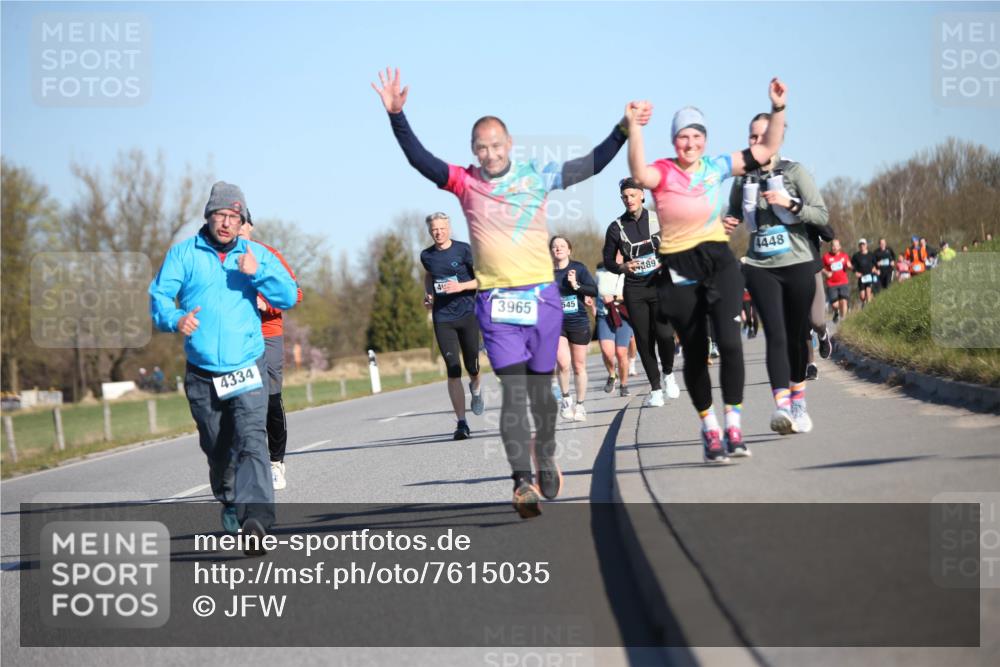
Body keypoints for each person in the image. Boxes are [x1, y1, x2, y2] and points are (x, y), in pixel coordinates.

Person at [373, 68, 640, 516]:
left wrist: (622, 129)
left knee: (540, 398)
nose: (490, 153)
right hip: (496, 306)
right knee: (514, 396)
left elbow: (588, 165)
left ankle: (548, 453)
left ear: (510, 144)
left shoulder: (537, 174)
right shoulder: (464, 181)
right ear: (473, 151)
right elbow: (421, 160)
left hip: (542, 301)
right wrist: (398, 117)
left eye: (497, 145)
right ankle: (521, 481)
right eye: (482, 147)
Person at [627, 77, 788, 463]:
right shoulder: (663, 172)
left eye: (697, 136)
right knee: (696, 353)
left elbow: (765, 150)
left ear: (705, 139)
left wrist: (778, 109)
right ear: (673, 140)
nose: (691, 144)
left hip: (718, 259)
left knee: (730, 343)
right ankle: (709, 428)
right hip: (678, 266)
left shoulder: (716, 165)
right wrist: (634, 127)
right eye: (683, 137)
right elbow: (637, 172)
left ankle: (734, 424)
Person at [149, 181, 298, 555]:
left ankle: (257, 521)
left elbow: (288, 295)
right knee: (217, 446)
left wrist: (258, 274)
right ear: (209, 217)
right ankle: (230, 498)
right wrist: (175, 318)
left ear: (242, 219)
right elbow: (160, 297)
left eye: (234, 216)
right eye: (221, 215)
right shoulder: (184, 254)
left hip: (246, 363)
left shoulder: (254, 254)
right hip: (201, 370)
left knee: (251, 439)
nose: (227, 222)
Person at [724, 111, 830, 435]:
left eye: (761, 137)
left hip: (797, 262)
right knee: (776, 334)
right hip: (760, 266)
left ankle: (798, 402)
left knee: (798, 337)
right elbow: (731, 215)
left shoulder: (794, 172)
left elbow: (821, 215)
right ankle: (781, 407)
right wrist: (726, 225)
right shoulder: (743, 179)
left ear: (777, 138)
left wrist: (791, 203)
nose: (756, 143)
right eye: (751, 138)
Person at [238, 211, 304, 490]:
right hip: (236, 340)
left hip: (268, 335)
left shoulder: (268, 254)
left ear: (250, 226)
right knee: (240, 404)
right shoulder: (216, 260)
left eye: (240, 221)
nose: (235, 226)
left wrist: (268, 305)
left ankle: (276, 463)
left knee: (271, 399)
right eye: (227, 219)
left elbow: (295, 293)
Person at [602, 177, 679, 406]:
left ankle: (667, 373)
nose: (629, 200)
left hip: (660, 284)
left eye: (633, 195)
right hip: (634, 289)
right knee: (644, 340)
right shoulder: (616, 227)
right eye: (625, 197)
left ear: (642, 195)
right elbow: (607, 259)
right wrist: (621, 267)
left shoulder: (658, 218)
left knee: (665, 334)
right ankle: (655, 389)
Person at [420, 212, 484, 440]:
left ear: (449, 228)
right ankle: (461, 423)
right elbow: (429, 276)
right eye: (434, 229)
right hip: (443, 318)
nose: (438, 233)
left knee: (473, 367)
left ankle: (476, 389)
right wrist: (428, 294)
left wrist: (461, 287)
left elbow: (483, 279)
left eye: (442, 228)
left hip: (467, 315)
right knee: (453, 369)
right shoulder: (426, 255)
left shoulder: (464, 250)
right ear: (430, 231)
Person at [551, 236, 597, 421]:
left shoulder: (578, 268)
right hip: (556, 324)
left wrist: (576, 285)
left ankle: (580, 405)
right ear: (551, 251)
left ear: (569, 250)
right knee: (563, 363)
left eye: (562, 246)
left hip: (578, 322)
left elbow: (593, 290)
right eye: (555, 246)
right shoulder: (546, 273)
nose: (559, 248)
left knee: (579, 366)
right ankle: (566, 399)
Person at [595, 261, 634, 397]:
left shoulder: (629, 271)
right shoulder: (599, 272)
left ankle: (624, 385)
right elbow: (592, 290)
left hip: (623, 315)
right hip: (604, 315)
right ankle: (612, 374)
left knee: (621, 353)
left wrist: (616, 297)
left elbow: (634, 293)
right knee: (607, 351)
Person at [823, 239, 852, 321]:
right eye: (832, 245)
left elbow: (850, 266)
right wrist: (826, 273)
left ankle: (844, 321)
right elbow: (821, 267)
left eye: (836, 246)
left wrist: (850, 266)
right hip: (831, 284)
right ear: (830, 247)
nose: (834, 247)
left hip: (843, 282)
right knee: (835, 304)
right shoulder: (826, 257)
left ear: (840, 247)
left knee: (844, 301)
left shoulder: (844, 256)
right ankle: (836, 312)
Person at [852, 239, 879, 308]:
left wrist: (875, 269)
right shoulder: (856, 256)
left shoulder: (871, 254)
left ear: (866, 245)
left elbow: (875, 264)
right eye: (860, 245)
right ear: (859, 246)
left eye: (863, 244)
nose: (862, 246)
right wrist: (855, 272)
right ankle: (864, 303)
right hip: (861, 277)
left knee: (868, 292)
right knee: (862, 296)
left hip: (870, 276)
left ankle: (869, 308)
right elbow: (852, 266)